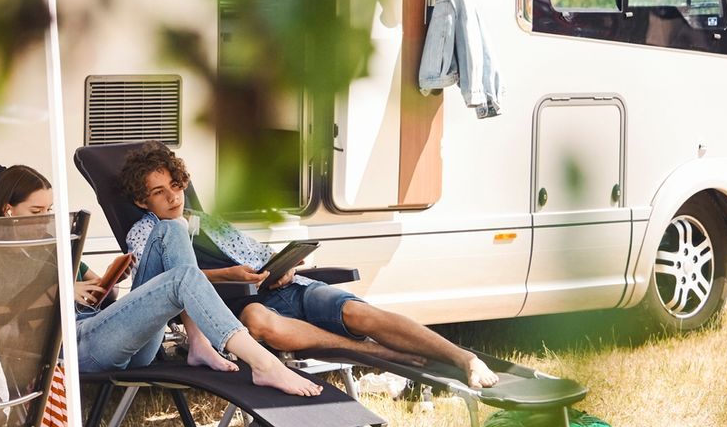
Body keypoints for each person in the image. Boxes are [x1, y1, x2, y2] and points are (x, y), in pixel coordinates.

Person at [118, 141, 500, 390]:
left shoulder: (206, 219)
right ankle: (380, 354)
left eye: (175, 186)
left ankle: (464, 358)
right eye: (158, 192)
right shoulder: (147, 233)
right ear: (142, 201)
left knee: (358, 312)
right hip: (240, 307)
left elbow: (253, 251)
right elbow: (161, 285)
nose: (172, 198)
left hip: (283, 287)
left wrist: (281, 265)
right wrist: (229, 277)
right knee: (259, 320)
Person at [0, 164, 319, 397]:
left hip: (111, 334)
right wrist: (57, 292)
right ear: (8, 210)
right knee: (181, 279)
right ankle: (263, 364)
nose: (47, 219)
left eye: (50, 209)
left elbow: (102, 291)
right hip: (76, 347)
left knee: (172, 228)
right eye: (37, 212)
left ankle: (198, 342)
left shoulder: (53, 247)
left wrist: (109, 279)